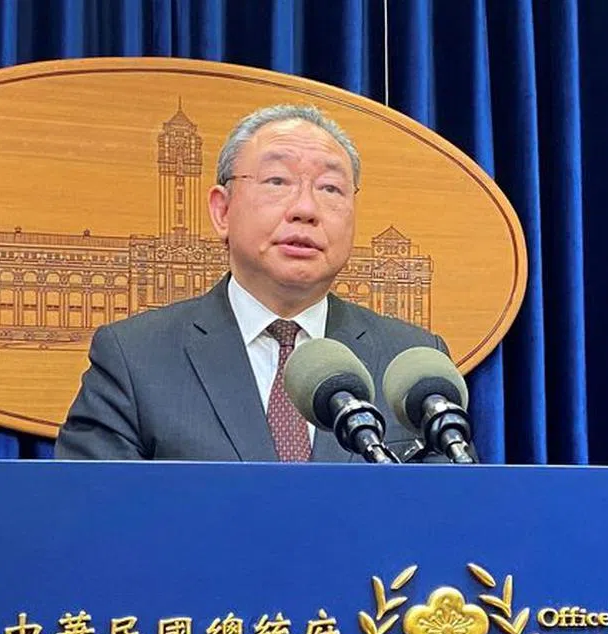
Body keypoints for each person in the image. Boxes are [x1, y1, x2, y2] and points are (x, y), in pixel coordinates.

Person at [55, 104, 451, 462]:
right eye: (277, 181)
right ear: (222, 211)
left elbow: (453, 508)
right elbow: (93, 508)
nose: (305, 209)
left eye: (330, 188)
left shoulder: (412, 363)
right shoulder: (134, 357)